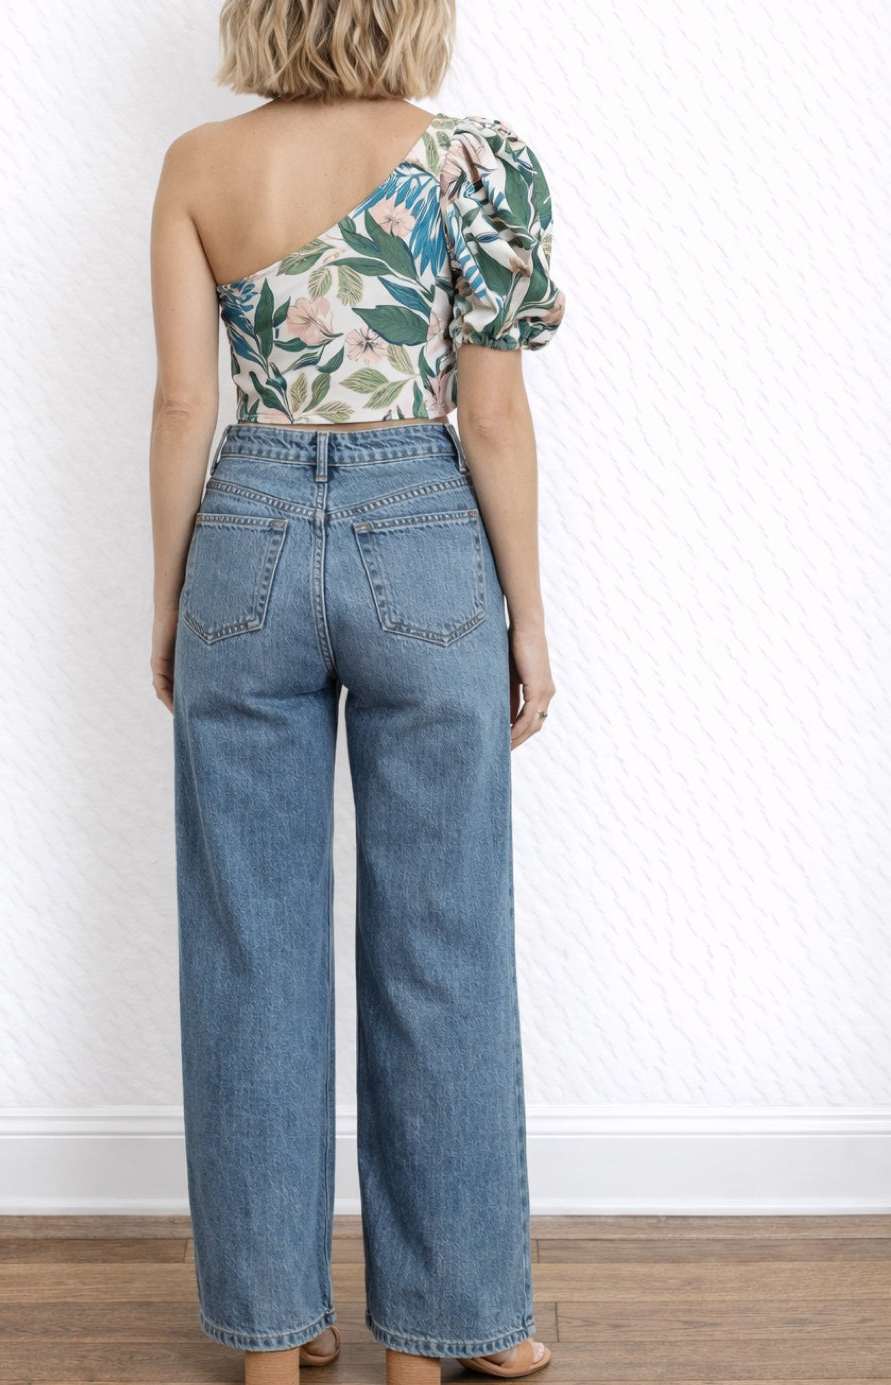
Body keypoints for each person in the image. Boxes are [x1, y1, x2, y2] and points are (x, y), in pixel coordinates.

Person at [148, 2, 565, 1381]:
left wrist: (170, 594)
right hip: (422, 533)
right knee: (440, 941)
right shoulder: (474, 164)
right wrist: (530, 615)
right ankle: (450, 1328)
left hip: (247, 529)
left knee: (247, 944)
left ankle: (273, 1335)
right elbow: (491, 414)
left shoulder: (200, 166)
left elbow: (179, 406)